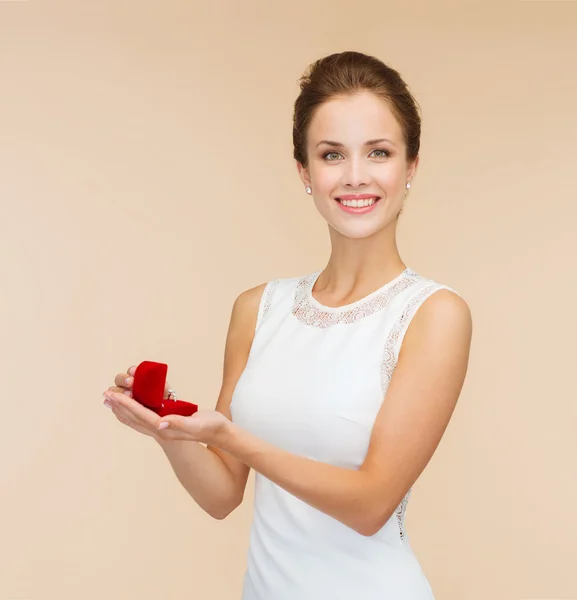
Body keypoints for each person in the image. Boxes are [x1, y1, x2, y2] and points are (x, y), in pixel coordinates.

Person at [102, 50, 473, 600]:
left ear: (410, 166)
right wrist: (169, 433)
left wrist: (232, 436)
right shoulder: (259, 308)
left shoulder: (434, 315)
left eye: (378, 152)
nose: (355, 176)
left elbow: (371, 505)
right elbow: (222, 495)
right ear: (304, 170)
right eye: (331, 154)